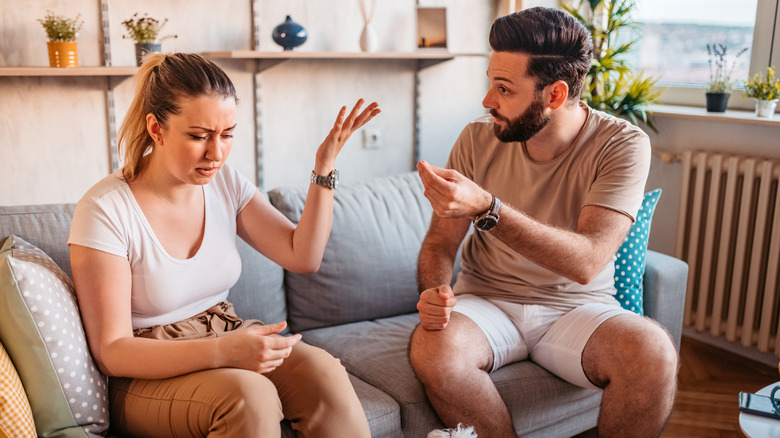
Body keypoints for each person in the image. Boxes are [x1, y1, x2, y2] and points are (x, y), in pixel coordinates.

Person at [68, 53, 380, 437]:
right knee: (249, 395)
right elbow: (112, 351)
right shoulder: (104, 209)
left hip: (223, 332)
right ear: (156, 128)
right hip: (143, 375)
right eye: (199, 136)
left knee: (323, 371)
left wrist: (324, 168)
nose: (215, 153)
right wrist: (223, 351)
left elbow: (303, 256)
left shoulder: (224, 183)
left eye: (227, 134)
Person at [410, 7, 678, 438]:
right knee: (433, 348)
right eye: (490, 83)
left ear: (554, 95)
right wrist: (434, 292)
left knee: (654, 352)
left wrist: (488, 208)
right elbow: (441, 242)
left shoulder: (622, 145)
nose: (487, 101)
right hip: (487, 302)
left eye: (504, 88)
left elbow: (588, 260)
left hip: (578, 308)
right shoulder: (476, 138)